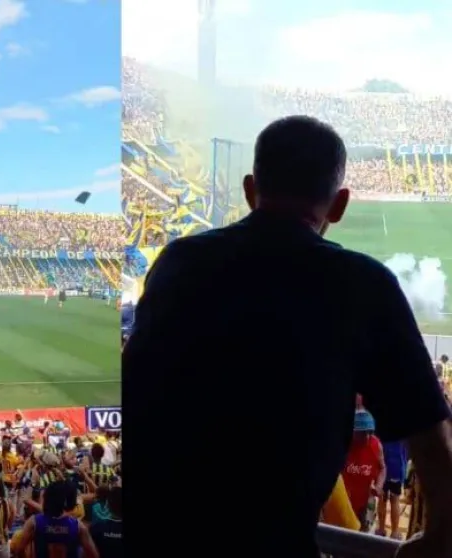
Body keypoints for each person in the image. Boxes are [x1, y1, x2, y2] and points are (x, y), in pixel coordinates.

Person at [123, 115, 452, 557]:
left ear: (249, 189)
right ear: (339, 205)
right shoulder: (362, 283)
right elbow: (431, 434)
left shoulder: (179, 263)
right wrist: (440, 536)